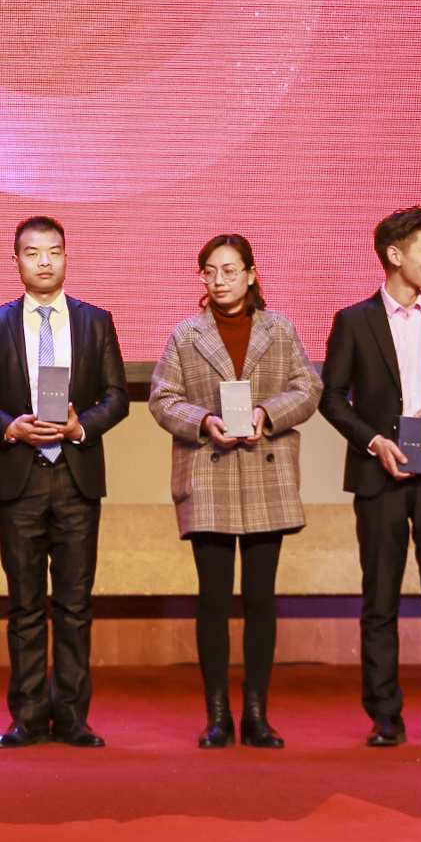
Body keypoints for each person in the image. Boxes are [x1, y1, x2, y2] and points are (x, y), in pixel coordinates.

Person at [0, 216, 131, 749]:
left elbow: (118, 396)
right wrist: (7, 427)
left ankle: (73, 716)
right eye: (33, 253)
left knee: (75, 606)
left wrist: (82, 427)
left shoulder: (96, 321)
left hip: (77, 477)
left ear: (66, 257)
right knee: (25, 604)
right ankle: (28, 716)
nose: (45, 261)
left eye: (54, 251)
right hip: (20, 477)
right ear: (16, 261)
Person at [317, 206, 421, 749]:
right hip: (380, 471)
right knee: (380, 599)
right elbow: (331, 398)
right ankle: (385, 714)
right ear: (395, 255)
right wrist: (373, 441)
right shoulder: (354, 320)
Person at [146, 233, 321, 749]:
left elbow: (308, 387)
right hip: (209, 472)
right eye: (210, 272)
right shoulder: (186, 335)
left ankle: (257, 714)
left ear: (250, 274)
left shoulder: (279, 328)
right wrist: (205, 421)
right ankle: (218, 715)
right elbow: (162, 398)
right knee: (214, 599)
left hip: (267, 472)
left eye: (229, 270)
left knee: (261, 599)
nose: (219, 281)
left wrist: (268, 413)